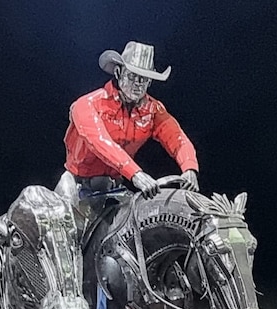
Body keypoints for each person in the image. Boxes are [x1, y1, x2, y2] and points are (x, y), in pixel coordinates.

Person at [60, 41, 199, 219]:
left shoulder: (153, 110)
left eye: (144, 79)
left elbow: (176, 137)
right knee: (58, 232)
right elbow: (101, 142)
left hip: (115, 188)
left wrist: (189, 168)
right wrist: (136, 174)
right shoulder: (87, 105)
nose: (138, 83)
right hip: (76, 186)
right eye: (132, 76)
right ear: (119, 73)